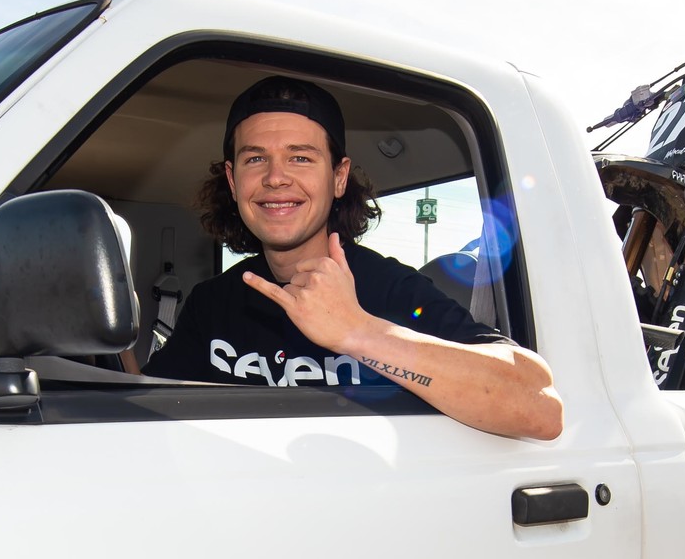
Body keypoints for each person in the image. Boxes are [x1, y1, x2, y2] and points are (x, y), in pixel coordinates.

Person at [143, 75, 563, 441]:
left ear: (339, 177)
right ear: (234, 181)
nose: (275, 177)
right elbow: (140, 413)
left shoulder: (391, 289)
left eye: (300, 157)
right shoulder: (211, 304)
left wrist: (358, 332)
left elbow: (540, 406)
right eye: (255, 158)